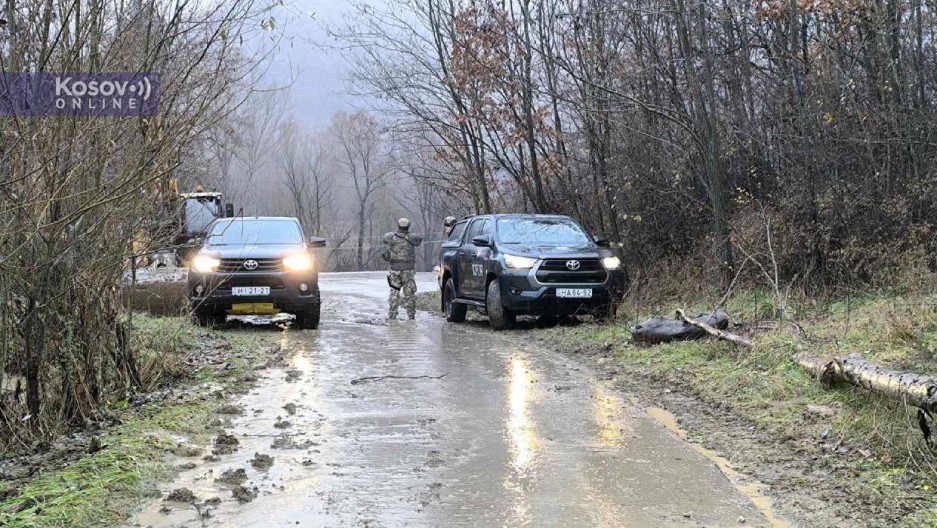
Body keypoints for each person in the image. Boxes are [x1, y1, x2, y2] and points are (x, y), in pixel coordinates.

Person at [383, 218, 423, 320]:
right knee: (409, 293)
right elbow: (419, 240)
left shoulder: (391, 236)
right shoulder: (412, 237)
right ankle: (411, 316)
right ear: (408, 226)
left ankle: (392, 315)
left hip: (395, 269)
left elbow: (385, 241)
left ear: (398, 225)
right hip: (408, 270)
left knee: (394, 292)